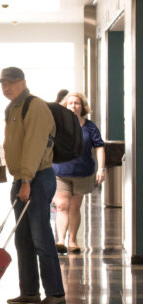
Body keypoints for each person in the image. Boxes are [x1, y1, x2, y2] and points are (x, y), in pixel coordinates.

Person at [0, 67, 65, 304]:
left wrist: (26, 180)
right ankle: (29, 292)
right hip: (22, 179)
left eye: (12, 83)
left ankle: (55, 293)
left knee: (40, 237)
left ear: (23, 82)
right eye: (4, 84)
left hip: (36, 178)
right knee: (23, 239)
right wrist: (20, 179)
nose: (8, 88)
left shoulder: (34, 106)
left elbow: (35, 145)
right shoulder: (13, 107)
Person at [52, 92, 105, 254]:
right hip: (60, 171)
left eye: (77, 103)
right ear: (65, 106)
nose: (73, 106)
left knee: (75, 207)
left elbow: (99, 147)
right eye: (70, 103)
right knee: (62, 205)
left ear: (82, 107)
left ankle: (72, 240)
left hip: (82, 172)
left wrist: (101, 168)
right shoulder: (58, 125)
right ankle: (60, 240)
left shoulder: (90, 127)